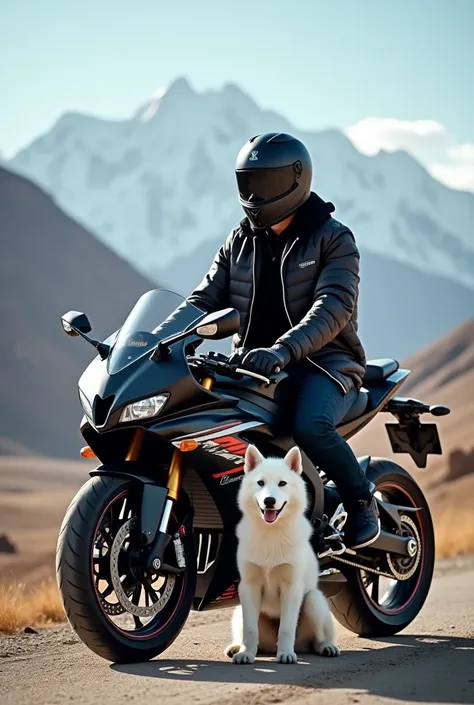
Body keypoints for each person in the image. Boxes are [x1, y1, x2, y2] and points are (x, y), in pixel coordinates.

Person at [188, 132, 379, 549]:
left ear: (295, 180)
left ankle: (362, 501)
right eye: (248, 183)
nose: (255, 195)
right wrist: (161, 338)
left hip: (325, 365)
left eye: (265, 183)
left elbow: (333, 307)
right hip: (252, 365)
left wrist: (283, 350)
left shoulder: (333, 238)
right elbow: (201, 299)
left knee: (309, 426)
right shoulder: (238, 242)